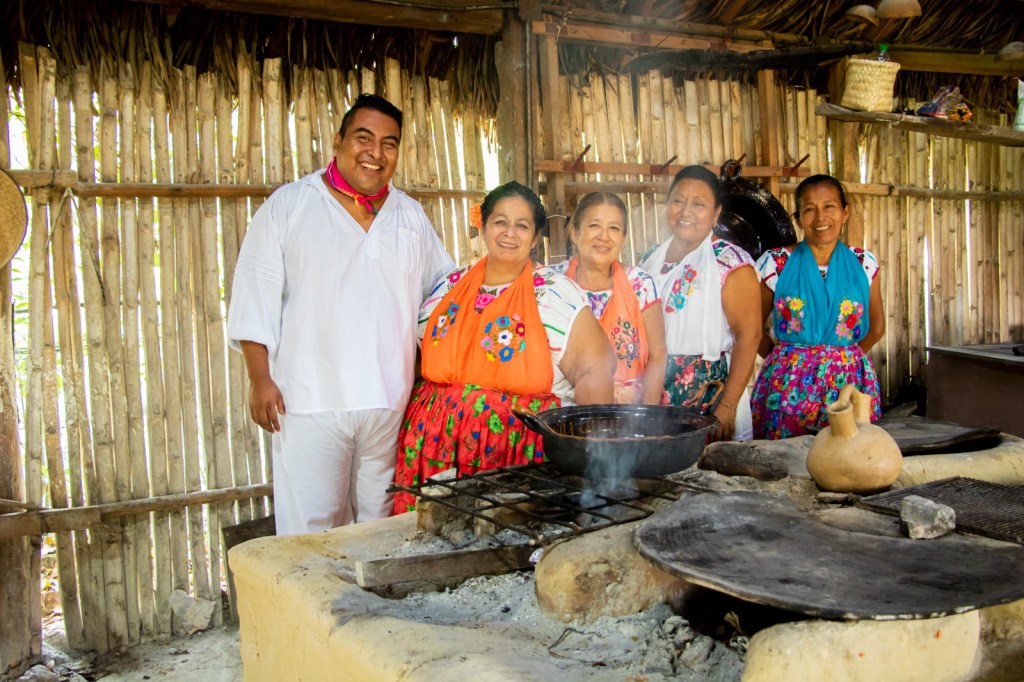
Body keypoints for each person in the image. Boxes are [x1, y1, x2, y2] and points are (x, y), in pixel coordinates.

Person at [226, 94, 454, 535]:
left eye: (390, 143)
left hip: (388, 400)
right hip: (309, 399)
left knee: (378, 526)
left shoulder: (409, 215)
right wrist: (259, 379)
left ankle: (366, 606)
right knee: (310, 529)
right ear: (338, 141)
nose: (376, 153)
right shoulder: (289, 206)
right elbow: (254, 294)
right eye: (363, 138)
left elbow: (440, 295)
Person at [392, 181, 615, 513]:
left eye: (522, 225)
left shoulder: (555, 295)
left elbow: (595, 369)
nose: (510, 233)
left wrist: (591, 463)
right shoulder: (448, 286)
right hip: (434, 446)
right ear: (483, 226)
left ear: (536, 237)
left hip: (514, 457)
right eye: (500, 222)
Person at [751, 174, 885, 440]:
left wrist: (844, 360)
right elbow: (752, 329)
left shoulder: (863, 263)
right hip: (788, 385)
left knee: (851, 458)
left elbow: (877, 327)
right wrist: (786, 362)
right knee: (788, 458)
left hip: (849, 383)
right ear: (798, 219)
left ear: (845, 212)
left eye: (829, 206)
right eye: (809, 209)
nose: (820, 217)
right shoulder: (775, 264)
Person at [639, 165, 762, 441]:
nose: (686, 212)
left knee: (705, 475)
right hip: (652, 389)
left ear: (716, 212)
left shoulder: (729, 262)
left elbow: (750, 336)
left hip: (706, 394)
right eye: (678, 201)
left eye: (699, 204)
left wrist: (727, 405)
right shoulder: (650, 259)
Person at [550, 192, 667, 405]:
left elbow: (658, 355)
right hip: (564, 412)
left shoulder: (640, 284)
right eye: (594, 226)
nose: (604, 237)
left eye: (614, 228)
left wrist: (649, 418)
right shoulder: (553, 283)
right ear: (574, 233)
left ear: (623, 238)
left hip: (629, 413)